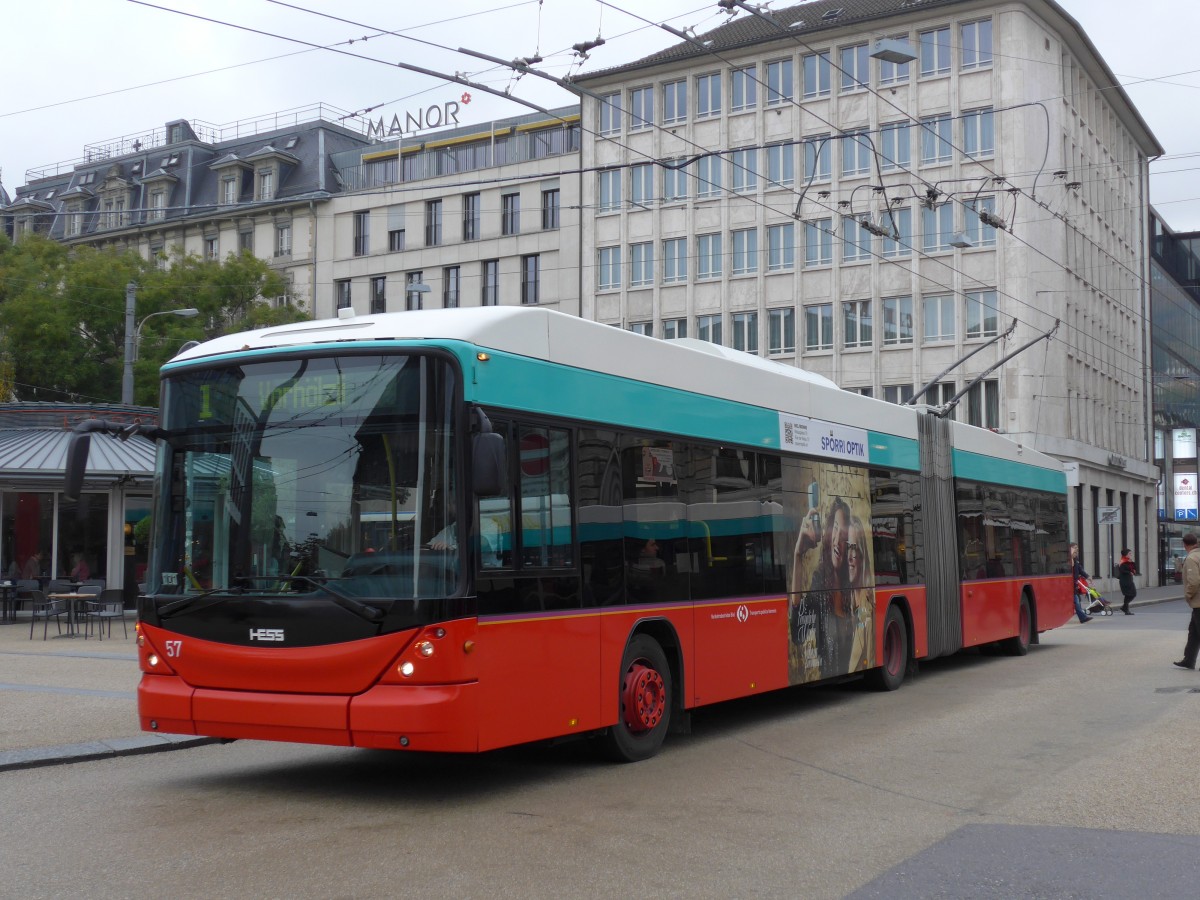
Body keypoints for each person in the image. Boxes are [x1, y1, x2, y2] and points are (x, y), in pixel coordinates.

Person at [845, 516, 875, 672]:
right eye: (848, 547)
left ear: (862, 556)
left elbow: (870, 659)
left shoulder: (868, 609)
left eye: (854, 548)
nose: (849, 557)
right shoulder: (849, 602)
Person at [1173, 532, 1200, 671]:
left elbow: (1194, 581)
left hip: (1198, 602)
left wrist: (1188, 595)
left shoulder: (1191, 558)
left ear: (1185, 545)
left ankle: (1189, 660)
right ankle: (1189, 659)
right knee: (1194, 632)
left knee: (1196, 631)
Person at [1069, 543, 1093, 624]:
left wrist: (1087, 577)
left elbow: (1080, 569)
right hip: (1069, 583)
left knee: (1076, 600)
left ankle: (1082, 617)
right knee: (1076, 601)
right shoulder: (1069, 558)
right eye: (1075, 548)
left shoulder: (1076, 559)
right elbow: (1070, 565)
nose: (1077, 550)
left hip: (1074, 583)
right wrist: (1071, 555)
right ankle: (1083, 618)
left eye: (1077, 548)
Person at [1117, 548, 1138, 615]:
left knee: (1132, 594)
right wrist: (1129, 572)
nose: (1131, 555)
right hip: (1124, 580)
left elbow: (1134, 568)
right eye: (1129, 553)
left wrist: (1132, 562)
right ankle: (1125, 608)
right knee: (1130, 594)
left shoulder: (1128, 561)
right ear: (1125, 554)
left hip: (1129, 580)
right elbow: (1122, 570)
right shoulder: (1122, 561)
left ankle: (1125, 608)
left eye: (1131, 553)